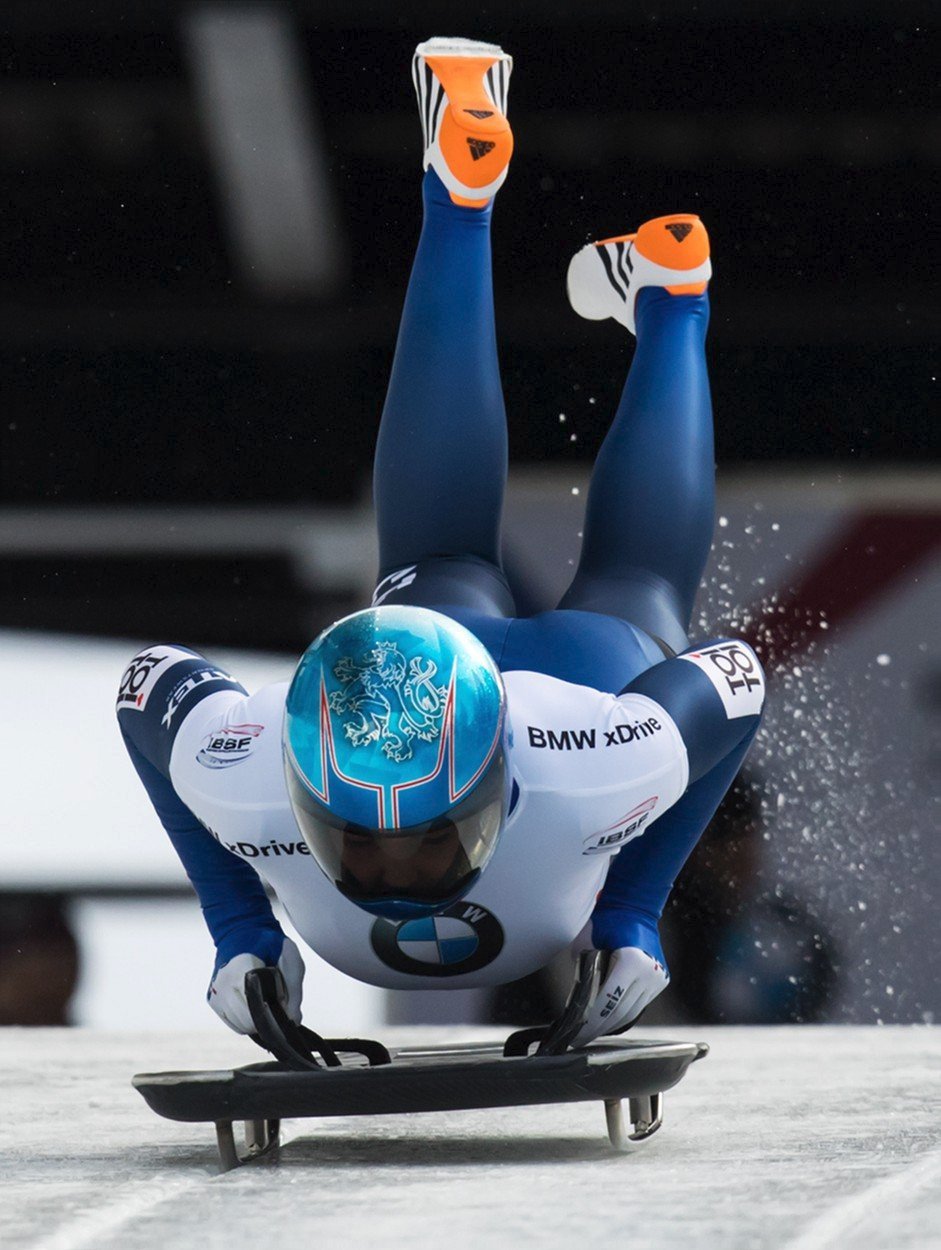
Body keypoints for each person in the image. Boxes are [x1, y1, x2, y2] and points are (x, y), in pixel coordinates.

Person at [117, 38, 765, 1046]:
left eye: (424, 843)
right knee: (623, 584)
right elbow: (735, 678)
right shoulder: (589, 763)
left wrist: (241, 928)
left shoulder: (585, 752)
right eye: (363, 845)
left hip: (561, 685)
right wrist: (625, 916)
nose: (393, 876)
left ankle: (663, 291)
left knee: (612, 580)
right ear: (301, 789)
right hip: (537, 671)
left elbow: (146, 687)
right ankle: (610, 273)